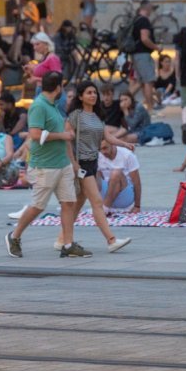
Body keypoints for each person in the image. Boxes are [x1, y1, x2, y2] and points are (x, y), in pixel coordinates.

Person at [5, 71, 87, 258]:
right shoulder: (39, 106)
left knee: (68, 203)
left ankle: (68, 244)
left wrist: (72, 161)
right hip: (44, 165)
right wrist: (63, 136)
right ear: (58, 88)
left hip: (62, 163)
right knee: (38, 206)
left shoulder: (53, 105)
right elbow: (35, 134)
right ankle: (14, 236)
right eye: (62, 87)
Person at [59, 80, 133, 253]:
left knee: (77, 204)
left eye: (94, 92)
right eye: (89, 93)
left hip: (93, 162)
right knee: (97, 202)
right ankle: (111, 240)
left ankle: (62, 239)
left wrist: (124, 144)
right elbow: (67, 142)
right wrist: (74, 164)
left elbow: (107, 136)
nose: (93, 95)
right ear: (80, 96)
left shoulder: (97, 116)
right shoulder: (75, 116)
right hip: (81, 164)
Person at [97, 138, 142, 213]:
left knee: (116, 173)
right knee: (90, 172)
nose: (103, 152)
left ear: (112, 144)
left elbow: (137, 182)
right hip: (106, 192)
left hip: (124, 195)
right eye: (100, 149)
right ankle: (98, 206)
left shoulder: (127, 155)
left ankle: (105, 208)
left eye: (105, 148)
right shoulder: (98, 155)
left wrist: (137, 206)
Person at [129, 0, 159, 111]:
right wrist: (157, 48)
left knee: (140, 82)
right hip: (143, 55)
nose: (152, 11)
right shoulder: (144, 21)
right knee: (148, 81)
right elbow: (144, 38)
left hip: (136, 54)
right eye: (152, 8)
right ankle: (150, 109)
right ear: (147, 8)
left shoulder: (136, 19)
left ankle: (122, 102)